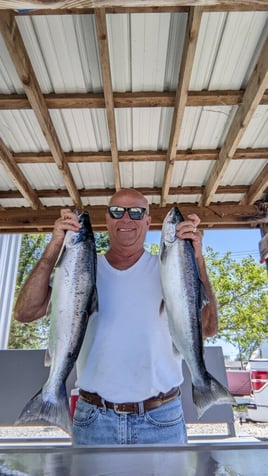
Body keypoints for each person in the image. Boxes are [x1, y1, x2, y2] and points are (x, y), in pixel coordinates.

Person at [14, 188, 218, 445]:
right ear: (107, 219)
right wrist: (55, 246)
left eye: (136, 212)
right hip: (93, 418)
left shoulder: (170, 268)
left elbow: (208, 327)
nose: (126, 219)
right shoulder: (80, 267)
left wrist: (195, 258)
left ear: (148, 221)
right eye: (117, 211)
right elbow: (24, 313)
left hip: (161, 418)